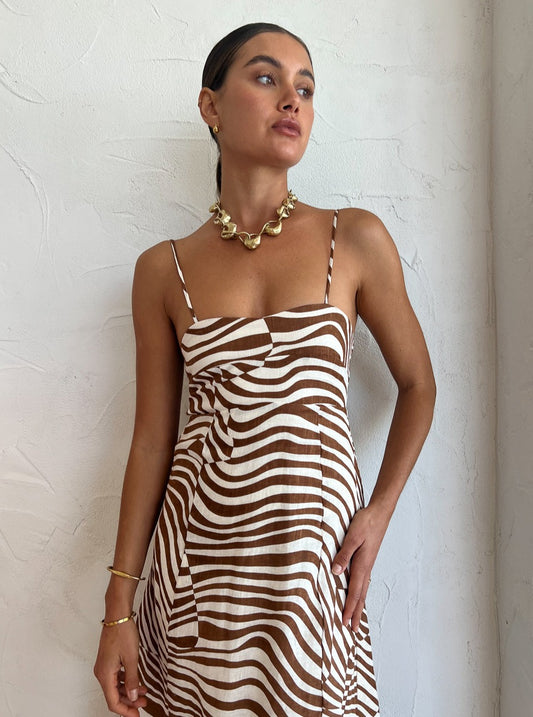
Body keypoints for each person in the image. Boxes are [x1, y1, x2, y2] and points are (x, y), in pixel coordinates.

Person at [93, 22, 436, 717]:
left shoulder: (354, 238)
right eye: (265, 77)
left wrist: (377, 514)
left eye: (305, 88)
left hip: (311, 572)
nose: (291, 100)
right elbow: (153, 442)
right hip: (198, 572)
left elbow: (418, 386)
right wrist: (117, 606)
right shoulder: (163, 270)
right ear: (210, 106)